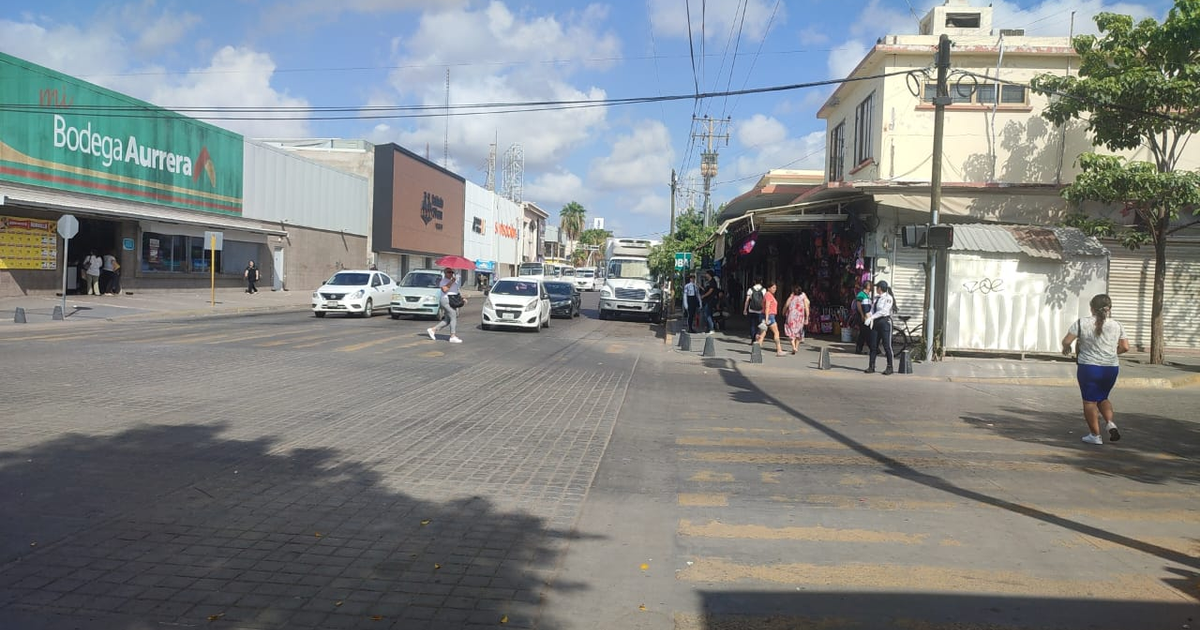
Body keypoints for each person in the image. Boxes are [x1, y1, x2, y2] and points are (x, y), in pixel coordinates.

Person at [1061, 294, 1129, 445]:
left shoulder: (1082, 323)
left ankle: (1095, 435)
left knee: (1089, 402)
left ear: (1091, 308)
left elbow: (1066, 340)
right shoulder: (1117, 325)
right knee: (1102, 397)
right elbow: (1125, 347)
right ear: (1109, 309)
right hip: (1111, 368)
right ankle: (1110, 423)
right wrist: (1112, 353)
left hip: (1089, 368)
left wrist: (1066, 348)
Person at [863, 280, 895, 375]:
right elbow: (873, 309)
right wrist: (868, 316)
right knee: (873, 346)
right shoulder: (876, 298)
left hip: (884, 322)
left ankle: (890, 367)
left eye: (877, 287)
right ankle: (871, 366)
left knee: (887, 346)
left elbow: (884, 311)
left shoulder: (888, 298)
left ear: (880, 288)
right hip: (876, 323)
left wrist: (872, 317)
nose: (876, 289)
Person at [427, 268, 464, 343]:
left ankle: (433, 330)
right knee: (453, 315)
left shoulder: (454, 281)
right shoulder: (443, 281)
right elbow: (445, 290)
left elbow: (455, 291)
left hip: (452, 300)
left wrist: (462, 298)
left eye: (452, 272)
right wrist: (451, 281)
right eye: (449, 272)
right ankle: (452, 336)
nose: (450, 273)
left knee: (447, 320)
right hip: (446, 300)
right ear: (445, 273)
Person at [754, 282, 784, 356]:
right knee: (776, 332)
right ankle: (779, 350)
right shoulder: (769, 296)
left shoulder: (767, 295)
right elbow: (767, 307)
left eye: (775, 288)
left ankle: (757, 350)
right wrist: (767, 318)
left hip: (764, 315)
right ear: (769, 288)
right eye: (773, 288)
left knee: (762, 333)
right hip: (769, 316)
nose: (775, 289)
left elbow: (762, 305)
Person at [783, 284, 810, 354]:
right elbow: (807, 308)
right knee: (798, 332)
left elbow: (786, 304)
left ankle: (793, 347)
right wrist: (807, 318)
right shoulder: (803, 296)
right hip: (800, 317)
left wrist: (783, 312)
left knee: (791, 332)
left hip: (791, 316)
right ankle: (796, 347)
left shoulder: (791, 296)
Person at [853, 279, 873, 354]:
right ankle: (873, 348)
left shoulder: (867, 295)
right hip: (862, 316)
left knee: (862, 333)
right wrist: (862, 315)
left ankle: (858, 349)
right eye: (870, 285)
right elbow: (858, 305)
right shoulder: (861, 294)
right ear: (867, 286)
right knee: (866, 332)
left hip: (867, 316)